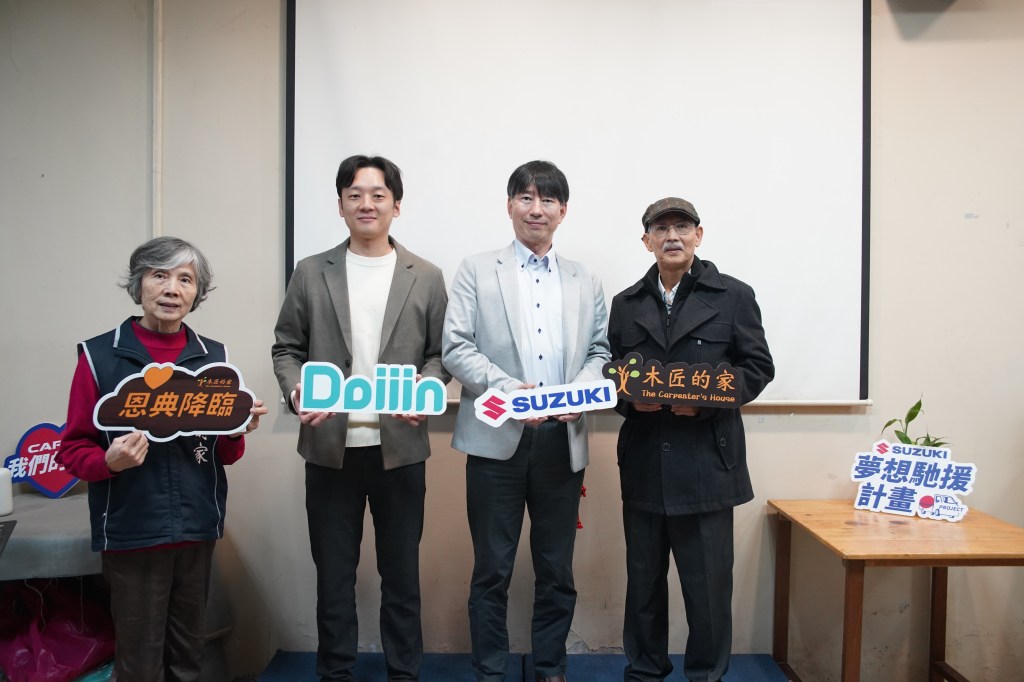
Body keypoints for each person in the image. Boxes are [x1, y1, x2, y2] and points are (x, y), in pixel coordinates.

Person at [56, 236, 268, 681]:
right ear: (139, 285)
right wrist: (109, 461)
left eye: (185, 279)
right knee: (139, 663)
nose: (172, 289)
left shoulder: (213, 358)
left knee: (189, 657)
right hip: (132, 531)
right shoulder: (99, 356)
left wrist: (236, 429)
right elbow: (72, 449)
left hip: (197, 528)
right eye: (159, 276)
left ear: (197, 293)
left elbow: (225, 454)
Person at [272, 155, 449, 682]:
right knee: (333, 577)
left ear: (396, 205)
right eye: (355, 194)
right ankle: (336, 673)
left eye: (377, 195)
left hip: (400, 450)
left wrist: (426, 391)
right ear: (341, 205)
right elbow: (286, 348)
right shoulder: (311, 271)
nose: (366, 204)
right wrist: (296, 391)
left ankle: (404, 674)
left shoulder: (427, 276)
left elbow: (439, 355)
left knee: (402, 576)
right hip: (330, 450)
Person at [442, 160, 610, 682]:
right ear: (510, 205)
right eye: (526, 198)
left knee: (556, 568)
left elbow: (600, 351)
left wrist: (578, 395)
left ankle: (551, 667)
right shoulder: (476, 269)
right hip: (496, 441)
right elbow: (456, 347)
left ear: (563, 211)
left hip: (563, 441)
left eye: (548, 200)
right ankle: (490, 671)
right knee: (492, 568)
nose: (536, 209)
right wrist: (513, 392)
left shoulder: (585, 279)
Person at [607, 197, 775, 682]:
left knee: (707, 590)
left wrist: (705, 403)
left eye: (682, 227)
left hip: (707, 464)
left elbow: (757, 368)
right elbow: (613, 374)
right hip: (644, 463)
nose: (672, 236)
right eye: (660, 229)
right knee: (643, 585)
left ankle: (705, 675)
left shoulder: (733, 295)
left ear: (699, 235)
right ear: (647, 241)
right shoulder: (626, 303)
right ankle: (644, 671)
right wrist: (628, 401)